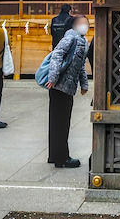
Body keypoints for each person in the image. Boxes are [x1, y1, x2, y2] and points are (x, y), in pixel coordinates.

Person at [46, 14, 89, 168]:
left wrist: (84, 84)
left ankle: (57, 155)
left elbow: (80, 65)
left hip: (68, 86)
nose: (85, 26)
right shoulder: (70, 37)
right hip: (59, 86)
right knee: (60, 123)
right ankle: (61, 157)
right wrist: (53, 78)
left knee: (61, 123)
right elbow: (57, 55)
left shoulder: (83, 41)